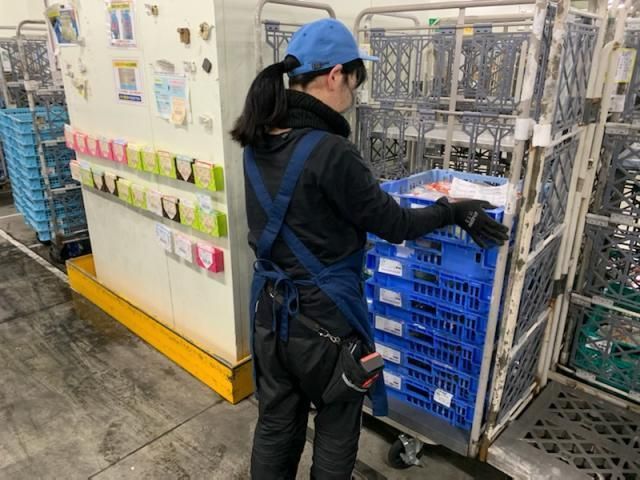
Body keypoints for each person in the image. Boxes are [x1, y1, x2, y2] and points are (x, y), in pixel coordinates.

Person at [231, 18, 509, 480]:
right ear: (335, 75)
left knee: (277, 422)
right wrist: (451, 210)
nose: (355, 94)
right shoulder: (331, 151)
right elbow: (394, 223)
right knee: (337, 425)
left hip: (269, 314)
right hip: (326, 323)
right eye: (356, 81)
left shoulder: (257, 143)